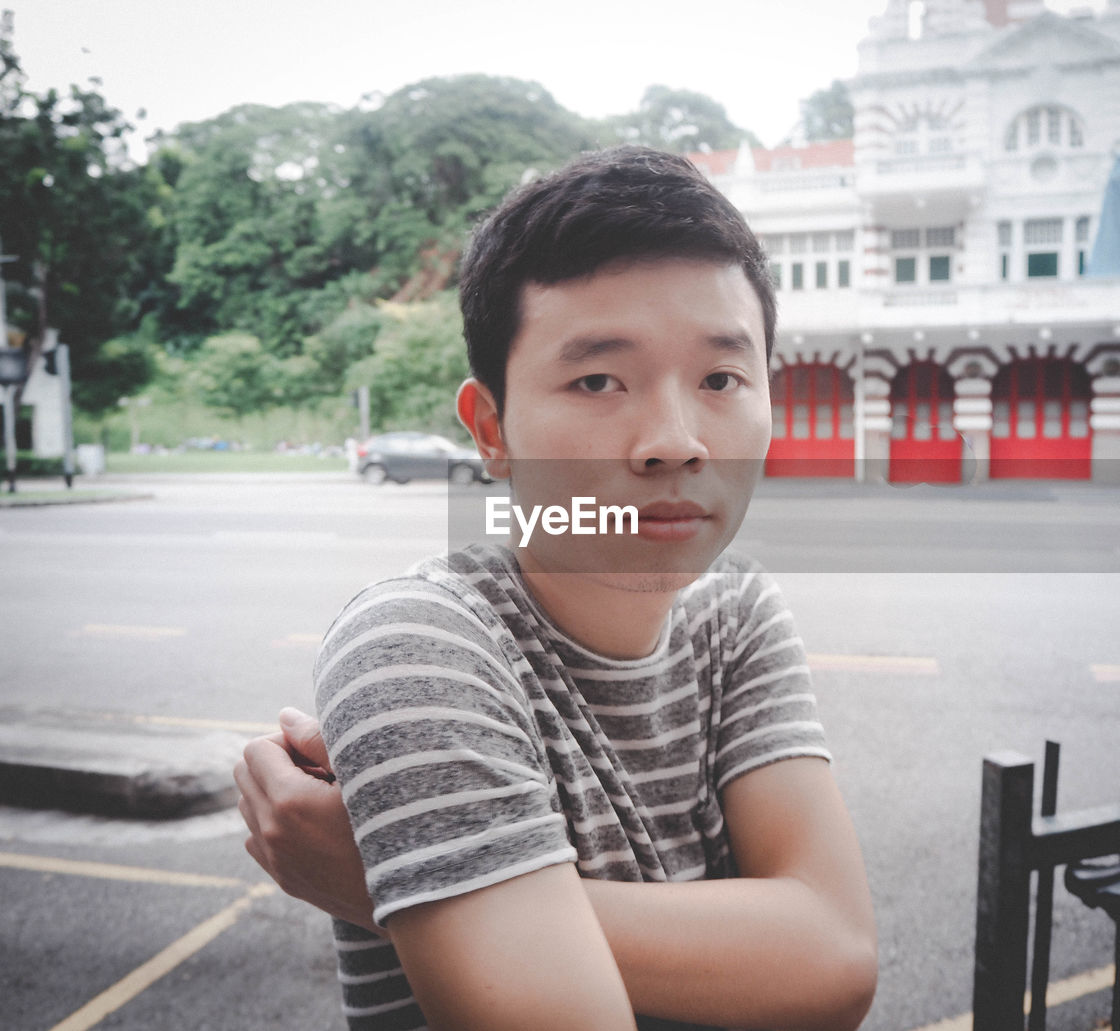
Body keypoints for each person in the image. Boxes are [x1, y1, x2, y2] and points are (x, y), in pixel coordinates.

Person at [235, 146, 877, 1031]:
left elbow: (837, 961)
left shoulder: (734, 610)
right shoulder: (419, 641)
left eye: (721, 378)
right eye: (598, 380)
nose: (675, 441)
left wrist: (393, 885)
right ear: (491, 429)